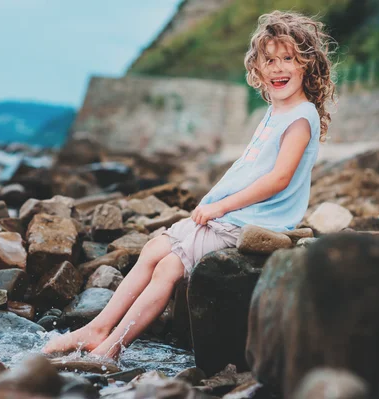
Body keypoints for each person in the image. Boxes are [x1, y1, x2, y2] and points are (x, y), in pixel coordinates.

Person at [42, 10, 337, 359]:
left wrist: (220, 206)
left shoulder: (301, 118)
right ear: (257, 67)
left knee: (166, 265)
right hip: (241, 214)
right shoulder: (276, 111)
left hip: (254, 220)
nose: (278, 68)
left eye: (288, 59)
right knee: (155, 251)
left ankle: (109, 348)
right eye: (269, 60)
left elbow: (279, 178)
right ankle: (99, 329)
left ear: (307, 64)